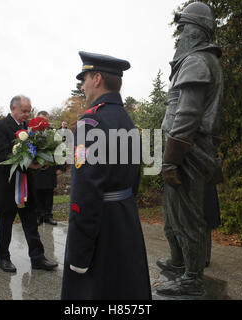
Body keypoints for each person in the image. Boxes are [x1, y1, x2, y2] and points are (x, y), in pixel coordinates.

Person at [61, 51, 151, 300]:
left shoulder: (91, 122)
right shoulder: (126, 120)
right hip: (124, 218)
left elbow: (85, 191)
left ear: (97, 78)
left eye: (85, 78)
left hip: (101, 227)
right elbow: (135, 176)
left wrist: (79, 252)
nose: (83, 85)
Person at [156, 2, 224, 296]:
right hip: (183, 151)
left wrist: (171, 161)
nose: (179, 36)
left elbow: (187, 116)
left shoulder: (197, 61)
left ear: (195, 31)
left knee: (188, 217)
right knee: (174, 213)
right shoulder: (195, 61)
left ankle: (193, 278)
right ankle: (179, 263)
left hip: (188, 153)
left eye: (183, 29)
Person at [0, 95, 58, 273]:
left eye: (29, 111)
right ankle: (3, 258)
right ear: (13, 109)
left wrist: (41, 162)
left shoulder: (29, 128)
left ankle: (38, 258)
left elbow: (37, 150)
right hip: (8, 184)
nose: (27, 115)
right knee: (5, 223)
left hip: (26, 185)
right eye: (24, 111)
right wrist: (29, 163)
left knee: (30, 222)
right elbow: (2, 155)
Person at [30, 111, 65, 226]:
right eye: (41, 119)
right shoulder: (32, 133)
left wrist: (61, 167)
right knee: (37, 193)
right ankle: (38, 215)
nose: (43, 122)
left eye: (45, 120)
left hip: (50, 168)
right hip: (36, 168)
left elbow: (61, 150)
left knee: (49, 193)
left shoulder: (54, 133)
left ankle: (48, 215)